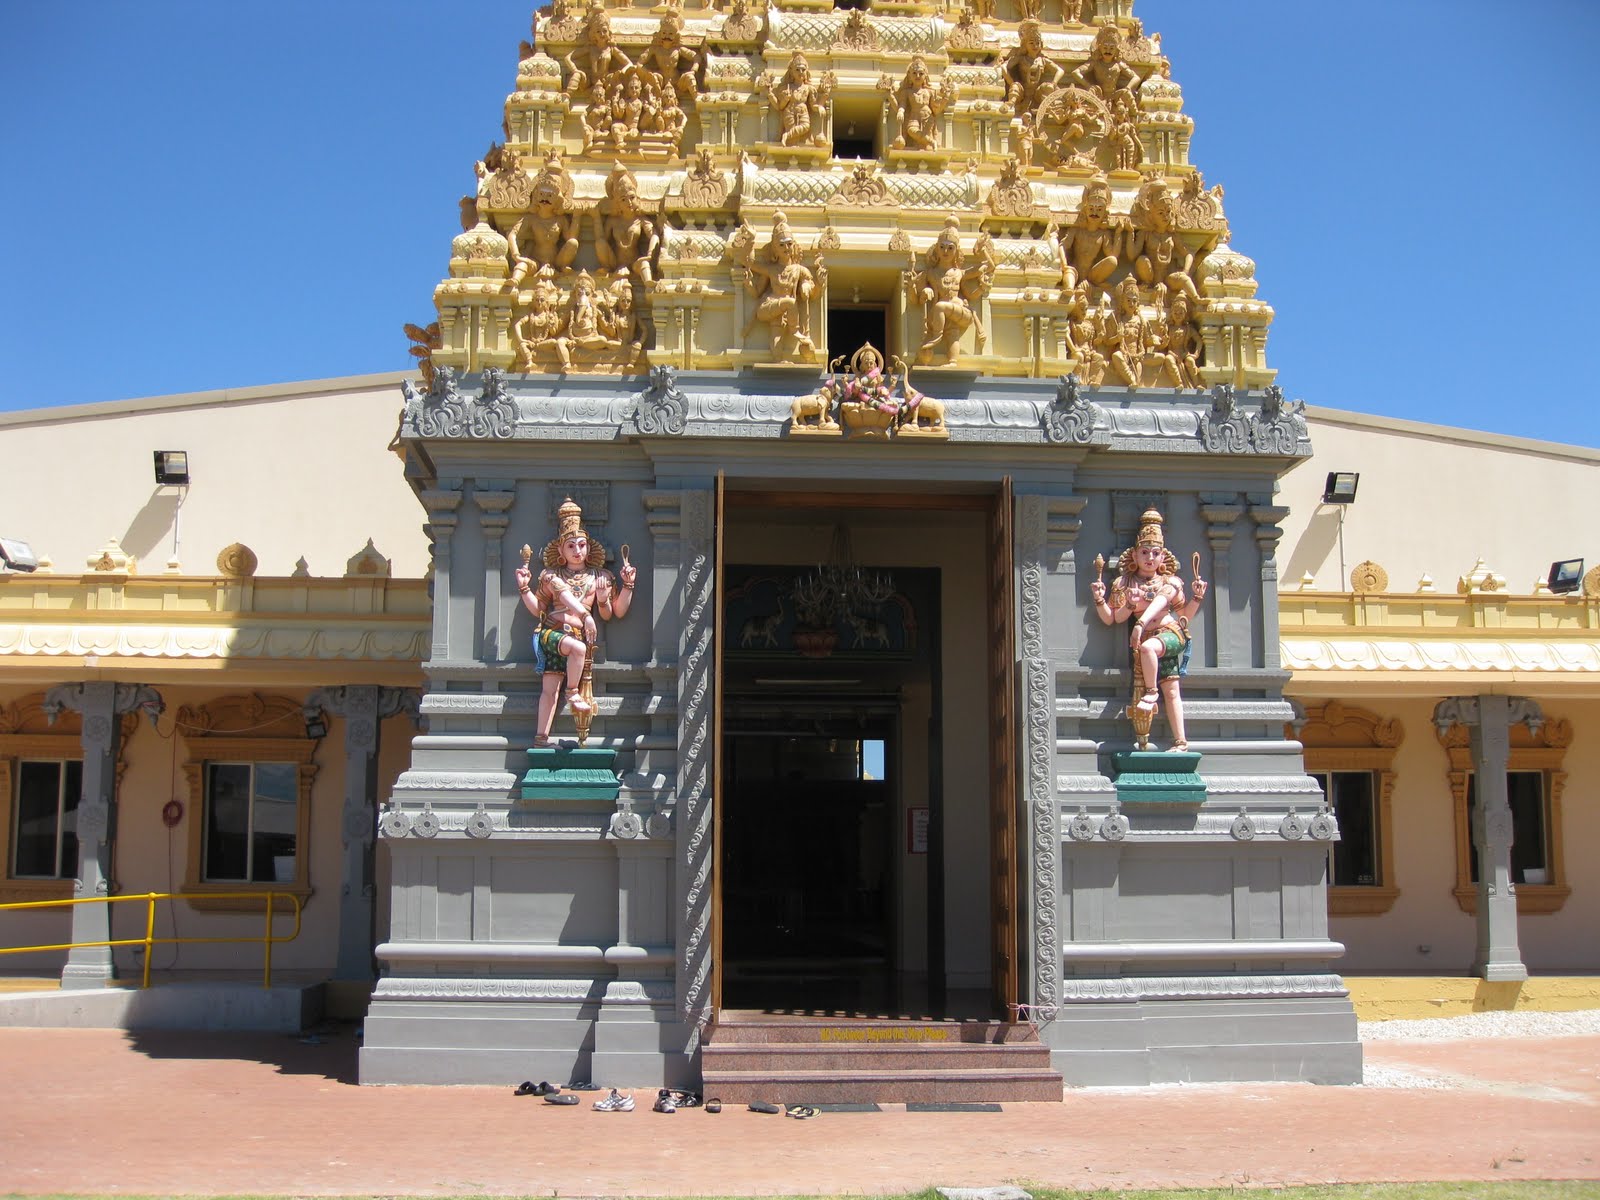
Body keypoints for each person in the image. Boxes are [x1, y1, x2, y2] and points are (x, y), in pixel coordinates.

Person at [514, 498, 637, 744]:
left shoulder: (600, 576)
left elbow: (613, 613)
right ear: (561, 550)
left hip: (576, 644)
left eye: (581, 545)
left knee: (550, 689)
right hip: (553, 635)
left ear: (589, 548)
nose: (577, 550)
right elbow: (539, 609)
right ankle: (572, 692)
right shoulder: (551, 576)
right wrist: (525, 588)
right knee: (560, 675)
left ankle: (541, 738)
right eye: (571, 546)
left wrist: (625, 586)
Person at [1090, 508, 1207, 750]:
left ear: (1163, 557)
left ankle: (1152, 694)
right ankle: (1180, 742)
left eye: (1155, 553)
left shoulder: (1170, 582)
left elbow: (1183, 615)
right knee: (1172, 690)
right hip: (1145, 648)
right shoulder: (1124, 583)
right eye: (1144, 552)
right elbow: (1113, 619)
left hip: (1169, 635)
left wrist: (1196, 598)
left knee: (1150, 650)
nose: (1150, 558)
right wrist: (1101, 599)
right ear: (1134, 555)